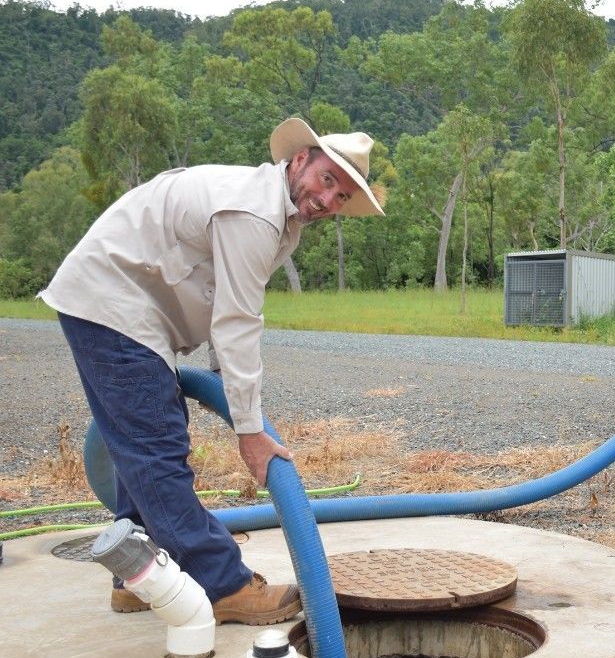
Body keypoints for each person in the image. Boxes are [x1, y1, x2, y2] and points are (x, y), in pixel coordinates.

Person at [39, 117, 385, 624]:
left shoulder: (274, 209)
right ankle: (222, 584)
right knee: (156, 450)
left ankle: (141, 576)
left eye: (342, 195)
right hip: (112, 302)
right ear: (300, 160)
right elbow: (238, 322)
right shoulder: (257, 213)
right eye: (328, 180)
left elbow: (227, 305)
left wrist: (229, 392)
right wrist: (250, 431)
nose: (328, 200)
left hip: (123, 307)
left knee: (148, 442)